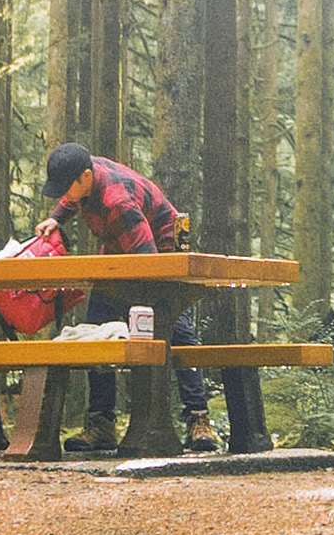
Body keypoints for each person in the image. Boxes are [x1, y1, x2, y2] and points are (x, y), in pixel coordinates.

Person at [39, 141, 208, 457]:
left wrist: (145, 300)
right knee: (96, 329)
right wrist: (57, 218)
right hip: (119, 248)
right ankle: (101, 423)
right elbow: (72, 198)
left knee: (173, 329)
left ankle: (198, 417)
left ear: (86, 177)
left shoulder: (117, 202)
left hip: (158, 250)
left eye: (66, 189)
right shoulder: (84, 174)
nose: (64, 194)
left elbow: (147, 260)